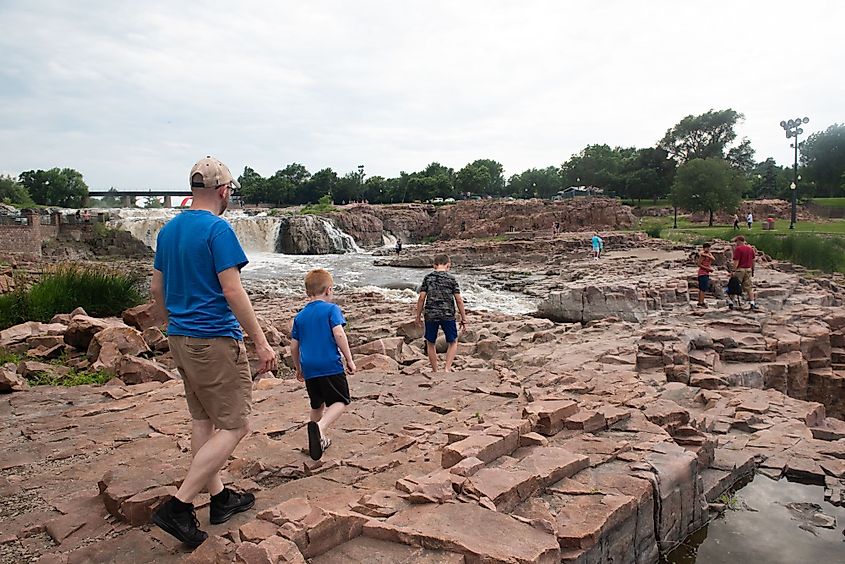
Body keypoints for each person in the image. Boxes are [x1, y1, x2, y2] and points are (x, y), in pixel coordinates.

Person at [150, 156, 277, 548]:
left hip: (180, 337)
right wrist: (260, 340)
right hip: (215, 340)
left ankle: (220, 498)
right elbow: (232, 290)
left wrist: (168, 325)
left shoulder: (169, 230)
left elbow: (157, 292)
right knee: (237, 424)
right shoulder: (218, 230)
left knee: (203, 420)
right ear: (223, 191)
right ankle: (179, 505)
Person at [290, 269, 356, 461]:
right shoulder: (331, 309)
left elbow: (294, 346)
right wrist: (349, 359)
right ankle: (319, 428)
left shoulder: (300, 316)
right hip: (329, 364)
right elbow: (339, 334)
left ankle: (317, 438)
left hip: (309, 367)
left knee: (317, 404)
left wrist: (298, 368)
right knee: (341, 400)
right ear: (328, 290)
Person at [415, 254, 468, 372]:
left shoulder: (428, 278)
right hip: (448, 314)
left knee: (430, 342)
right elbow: (459, 300)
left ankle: (435, 370)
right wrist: (464, 318)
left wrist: (418, 316)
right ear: (448, 265)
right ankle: (447, 369)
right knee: (453, 341)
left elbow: (422, 298)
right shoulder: (451, 279)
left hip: (430, 314)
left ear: (434, 265)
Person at [732, 235, 757, 310]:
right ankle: (752, 303)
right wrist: (753, 270)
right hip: (748, 269)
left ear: (739, 241)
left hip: (740, 270)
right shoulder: (750, 249)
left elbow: (736, 261)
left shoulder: (738, 249)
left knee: (734, 285)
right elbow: (753, 260)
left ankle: (731, 302)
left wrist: (733, 270)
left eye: (736, 241)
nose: (735, 243)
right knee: (749, 287)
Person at [696, 242, 715, 308]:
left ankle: (701, 301)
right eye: (707, 248)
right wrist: (708, 269)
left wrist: (707, 255)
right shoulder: (702, 255)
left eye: (709, 248)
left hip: (706, 273)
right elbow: (699, 264)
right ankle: (701, 302)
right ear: (704, 248)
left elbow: (713, 259)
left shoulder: (708, 254)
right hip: (702, 273)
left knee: (703, 288)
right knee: (702, 288)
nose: (708, 249)